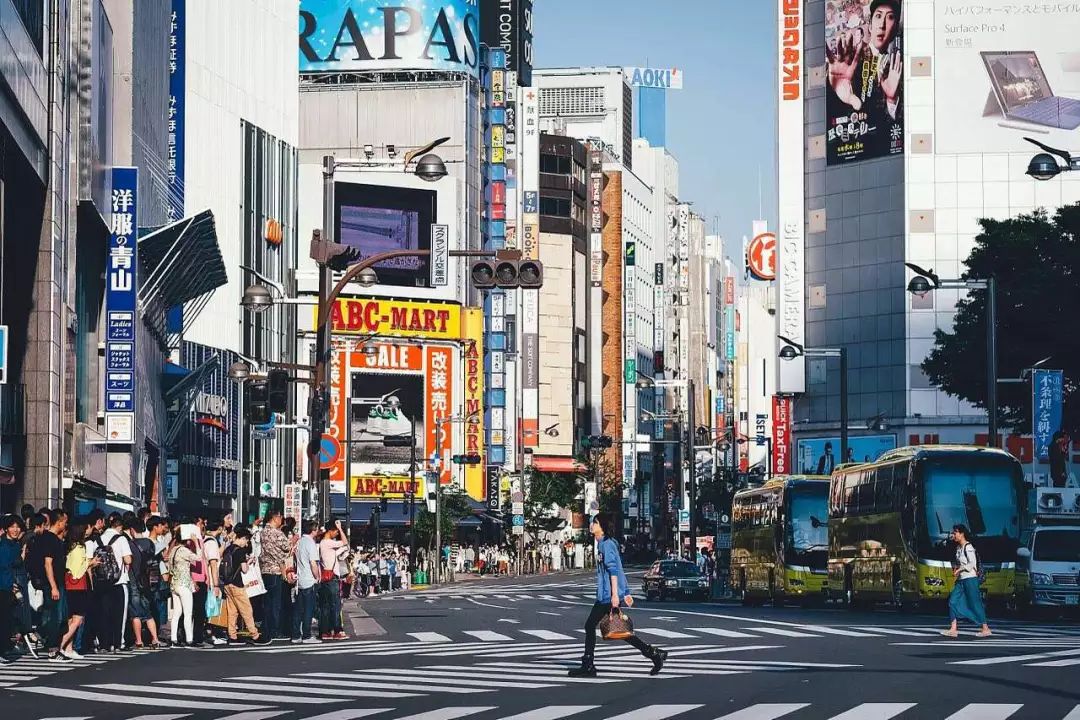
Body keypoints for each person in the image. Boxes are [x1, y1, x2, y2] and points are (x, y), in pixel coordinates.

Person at [568, 513, 667, 678]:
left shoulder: (606, 545)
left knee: (590, 625)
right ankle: (654, 654)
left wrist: (616, 595)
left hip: (607, 595)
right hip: (607, 594)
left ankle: (588, 664)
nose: (592, 525)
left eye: (595, 523)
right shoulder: (605, 544)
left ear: (602, 527)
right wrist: (625, 592)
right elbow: (620, 569)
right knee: (620, 630)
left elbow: (614, 570)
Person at [825, 0, 902, 157]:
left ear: (895, 29)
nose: (882, 25)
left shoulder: (899, 68)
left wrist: (891, 100)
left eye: (890, 17)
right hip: (851, 146)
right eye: (878, 17)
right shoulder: (854, 57)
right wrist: (833, 89)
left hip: (882, 152)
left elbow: (899, 131)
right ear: (870, 25)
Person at [942, 524, 991, 639]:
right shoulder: (958, 548)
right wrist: (957, 570)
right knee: (952, 601)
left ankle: (985, 628)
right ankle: (953, 629)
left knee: (975, 603)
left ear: (962, 533)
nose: (953, 535)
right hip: (961, 580)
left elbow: (972, 564)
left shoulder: (968, 547)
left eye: (955, 533)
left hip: (970, 579)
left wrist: (960, 569)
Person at [221, 526, 264, 645]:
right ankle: (255, 635)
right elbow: (244, 570)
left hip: (227, 584)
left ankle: (232, 636)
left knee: (232, 610)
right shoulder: (240, 551)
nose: (246, 544)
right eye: (246, 540)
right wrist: (249, 562)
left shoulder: (228, 549)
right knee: (247, 610)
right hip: (237, 584)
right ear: (243, 538)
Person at [97, 513, 133, 652]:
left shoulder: (99, 539)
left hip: (102, 582)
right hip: (119, 581)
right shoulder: (121, 539)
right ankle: (118, 643)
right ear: (120, 527)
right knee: (120, 615)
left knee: (105, 613)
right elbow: (128, 560)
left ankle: (105, 644)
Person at [60, 521, 96, 658]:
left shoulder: (69, 546)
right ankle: (60, 645)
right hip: (78, 586)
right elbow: (79, 570)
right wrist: (90, 563)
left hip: (68, 585)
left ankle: (68, 649)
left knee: (70, 619)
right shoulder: (80, 548)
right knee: (77, 620)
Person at [259, 510, 290, 641]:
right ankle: (275, 630)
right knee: (276, 603)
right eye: (280, 517)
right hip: (276, 570)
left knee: (267, 603)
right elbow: (287, 547)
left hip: (265, 570)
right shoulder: (277, 533)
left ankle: (267, 629)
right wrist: (292, 541)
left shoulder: (263, 532)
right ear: (275, 518)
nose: (281, 519)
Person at [317, 520, 348, 640]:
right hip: (332, 578)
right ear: (331, 530)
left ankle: (325, 631)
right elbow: (345, 542)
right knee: (335, 605)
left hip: (325, 578)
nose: (336, 534)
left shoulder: (323, 543)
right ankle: (337, 630)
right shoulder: (327, 542)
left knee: (325, 606)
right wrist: (341, 529)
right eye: (335, 532)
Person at [292, 520, 320, 644]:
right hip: (309, 579)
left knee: (298, 609)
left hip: (300, 579)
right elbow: (313, 563)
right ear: (313, 530)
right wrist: (317, 576)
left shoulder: (300, 542)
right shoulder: (310, 543)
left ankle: (296, 635)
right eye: (317, 529)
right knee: (308, 609)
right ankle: (307, 635)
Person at [166, 537, 199, 647]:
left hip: (174, 584)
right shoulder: (184, 550)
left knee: (176, 613)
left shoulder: (173, 550)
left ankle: (173, 638)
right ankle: (189, 639)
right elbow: (198, 558)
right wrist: (196, 543)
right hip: (184, 584)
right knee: (188, 613)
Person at [0, 514, 24, 660]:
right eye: (12, 526)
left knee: (8, 619)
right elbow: (5, 566)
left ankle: (5, 647)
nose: (15, 529)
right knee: (3, 619)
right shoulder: (3, 545)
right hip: (3, 585)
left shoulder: (16, 545)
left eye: (17, 526)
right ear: (6, 529)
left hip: (11, 586)